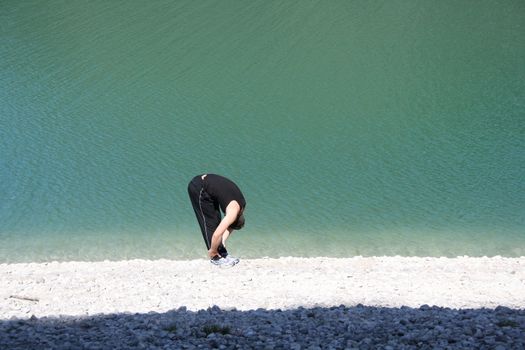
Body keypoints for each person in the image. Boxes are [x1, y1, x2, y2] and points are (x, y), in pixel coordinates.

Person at [187, 174, 246, 267]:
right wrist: (212, 250)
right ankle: (214, 257)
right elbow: (217, 234)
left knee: (217, 220)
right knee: (210, 222)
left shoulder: (241, 206)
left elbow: (229, 227)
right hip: (199, 187)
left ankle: (222, 252)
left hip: (209, 187)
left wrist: (222, 241)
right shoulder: (232, 214)